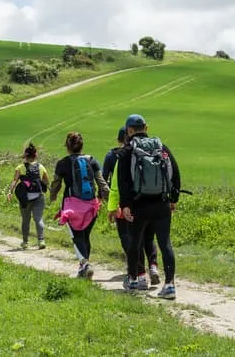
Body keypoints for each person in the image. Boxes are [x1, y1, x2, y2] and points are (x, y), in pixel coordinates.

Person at [118, 114, 180, 300]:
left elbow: (123, 180)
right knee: (165, 243)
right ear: (146, 127)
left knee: (134, 242)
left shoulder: (127, 151)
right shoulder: (161, 147)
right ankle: (169, 285)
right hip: (161, 203)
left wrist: (125, 205)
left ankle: (134, 280)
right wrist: (173, 198)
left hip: (138, 204)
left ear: (129, 130)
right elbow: (175, 173)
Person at [104, 126, 161, 287]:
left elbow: (113, 185)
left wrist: (112, 207)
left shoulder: (115, 155)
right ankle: (154, 266)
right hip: (147, 201)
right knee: (148, 238)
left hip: (125, 206)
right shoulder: (144, 152)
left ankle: (139, 274)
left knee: (131, 241)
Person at [48, 131, 109, 279]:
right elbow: (102, 184)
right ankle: (84, 268)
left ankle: (85, 264)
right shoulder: (92, 161)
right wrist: (111, 202)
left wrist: (53, 196)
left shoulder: (62, 163)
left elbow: (56, 184)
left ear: (67, 147)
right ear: (82, 146)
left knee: (77, 237)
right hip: (91, 206)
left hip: (72, 207)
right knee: (85, 236)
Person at [6, 142, 50, 250]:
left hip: (25, 198)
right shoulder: (41, 167)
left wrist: (10, 192)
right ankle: (41, 240)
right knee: (38, 219)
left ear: (25, 156)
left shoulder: (20, 167)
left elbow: (14, 181)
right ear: (35, 155)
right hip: (38, 197)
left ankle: (25, 242)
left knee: (25, 220)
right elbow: (47, 181)